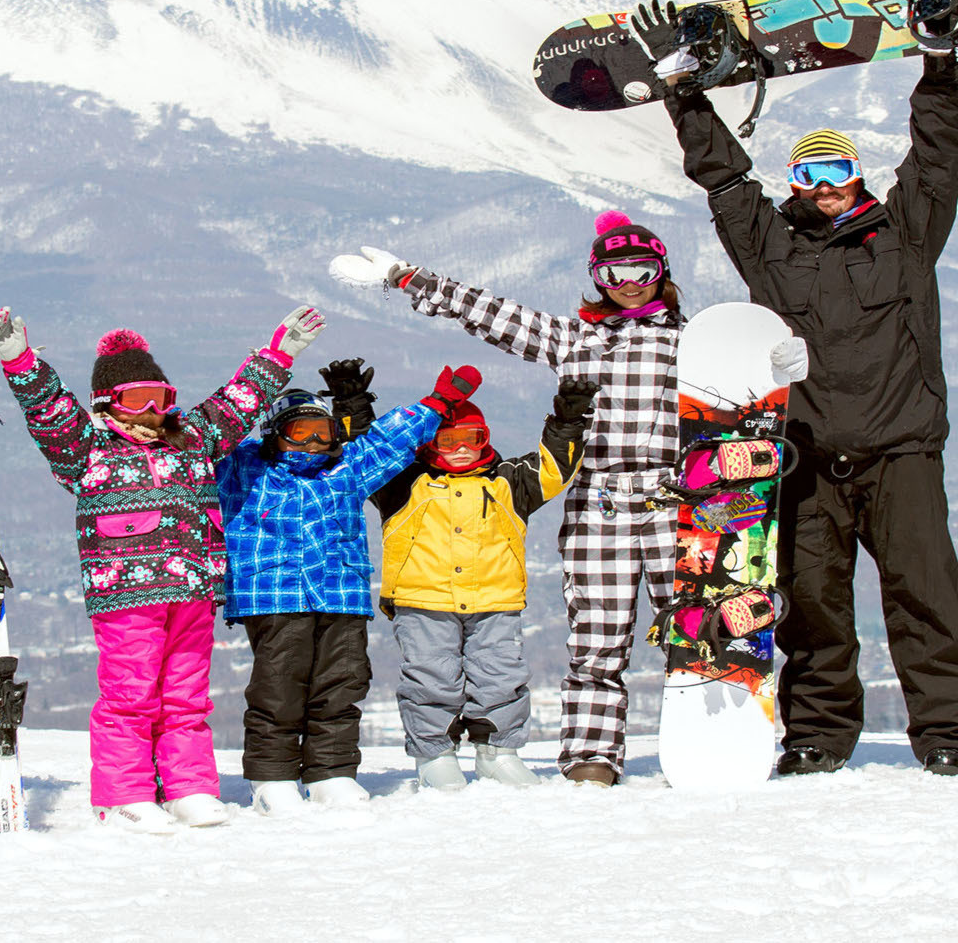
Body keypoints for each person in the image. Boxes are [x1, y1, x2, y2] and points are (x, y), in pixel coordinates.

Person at [636, 0, 958, 775]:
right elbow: (725, 184)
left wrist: (938, 64)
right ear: (792, 183)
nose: (824, 186)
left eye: (836, 171)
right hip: (806, 458)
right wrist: (685, 96)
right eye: (807, 173)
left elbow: (937, 162)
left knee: (926, 599)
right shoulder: (773, 252)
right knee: (814, 612)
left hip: (901, 454)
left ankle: (952, 738)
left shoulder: (907, 237)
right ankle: (818, 736)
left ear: (859, 176)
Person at [330, 215, 719, 787]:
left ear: (662, 272)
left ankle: (710, 743)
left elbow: (744, 392)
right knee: (597, 635)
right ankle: (592, 754)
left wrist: (778, 371)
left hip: (677, 497)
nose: (629, 281)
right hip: (599, 500)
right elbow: (495, 315)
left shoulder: (693, 341)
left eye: (642, 268)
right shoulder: (575, 337)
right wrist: (409, 279)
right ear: (598, 277)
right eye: (614, 271)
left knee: (695, 630)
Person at [0, 304, 319, 832]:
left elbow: (239, 402)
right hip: (125, 594)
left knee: (186, 696)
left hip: (193, 588)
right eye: (135, 399)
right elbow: (50, 411)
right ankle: (124, 793)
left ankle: (190, 787)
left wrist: (279, 353)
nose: (150, 410)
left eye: (159, 398)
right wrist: (20, 360)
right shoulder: (87, 449)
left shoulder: (194, 438)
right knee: (130, 694)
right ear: (106, 403)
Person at [218, 365, 483, 814]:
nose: (313, 444)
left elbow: (389, 442)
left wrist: (440, 404)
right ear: (274, 434)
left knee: (341, 686)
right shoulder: (245, 468)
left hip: (341, 594)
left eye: (322, 432)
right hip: (273, 595)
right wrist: (252, 385)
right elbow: (212, 437)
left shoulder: (346, 468)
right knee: (278, 688)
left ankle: (332, 772)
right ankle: (272, 777)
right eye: (299, 433)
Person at [368, 375, 599, 790]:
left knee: (500, 676)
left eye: (471, 439)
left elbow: (555, 467)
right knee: (429, 677)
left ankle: (498, 752)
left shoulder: (509, 480)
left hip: (495, 599)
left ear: (484, 439)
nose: (459, 450)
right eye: (447, 440)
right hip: (423, 600)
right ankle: (434, 755)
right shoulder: (403, 482)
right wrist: (353, 407)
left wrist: (567, 421)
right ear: (429, 444)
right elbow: (368, 456)